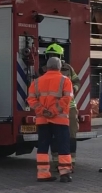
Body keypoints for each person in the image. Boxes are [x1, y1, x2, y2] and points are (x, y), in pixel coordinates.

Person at [28, 57, 74, 182]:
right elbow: (66, 99)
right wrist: (53, 111)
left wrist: (43, 111)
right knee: (63, 147)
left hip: (43, 120)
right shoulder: (65, 80)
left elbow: (31, 100)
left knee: (43, 147)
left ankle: (43, 174)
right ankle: (64, 174)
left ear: (47, 67)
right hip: (60, 120)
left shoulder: (36, 82)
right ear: (59, 67)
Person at [46, 43, 80, 172]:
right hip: (53, 108)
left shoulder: (68, 69)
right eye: (50, 55)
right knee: (54, 136)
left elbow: (77, 81)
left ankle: (71, 163)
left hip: (69, 107)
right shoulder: (44, 70)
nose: (53, 57)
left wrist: (74, 89)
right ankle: (56, 162)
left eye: (55, 55)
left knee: (71, 135)